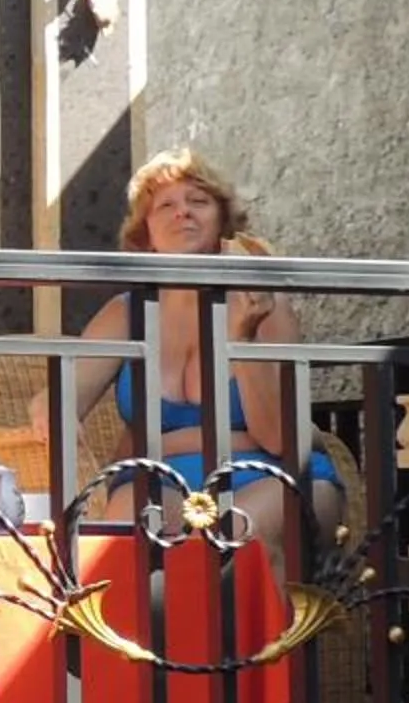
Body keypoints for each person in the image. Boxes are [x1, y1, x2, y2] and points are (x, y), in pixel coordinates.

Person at [46, 148, 344, 571]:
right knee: (132, 537)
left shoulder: (263, 304)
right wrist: (54, 409)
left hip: (272, 475)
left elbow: (280, 439)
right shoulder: (126, 312)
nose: (182, 212)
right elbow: (61, 398)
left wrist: (240, 337)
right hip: (163, 480)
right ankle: (168, 636)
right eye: (166, 204)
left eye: (198, 202)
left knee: (235, 537)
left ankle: (248, 637)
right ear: (145, 234)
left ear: (222, 222)